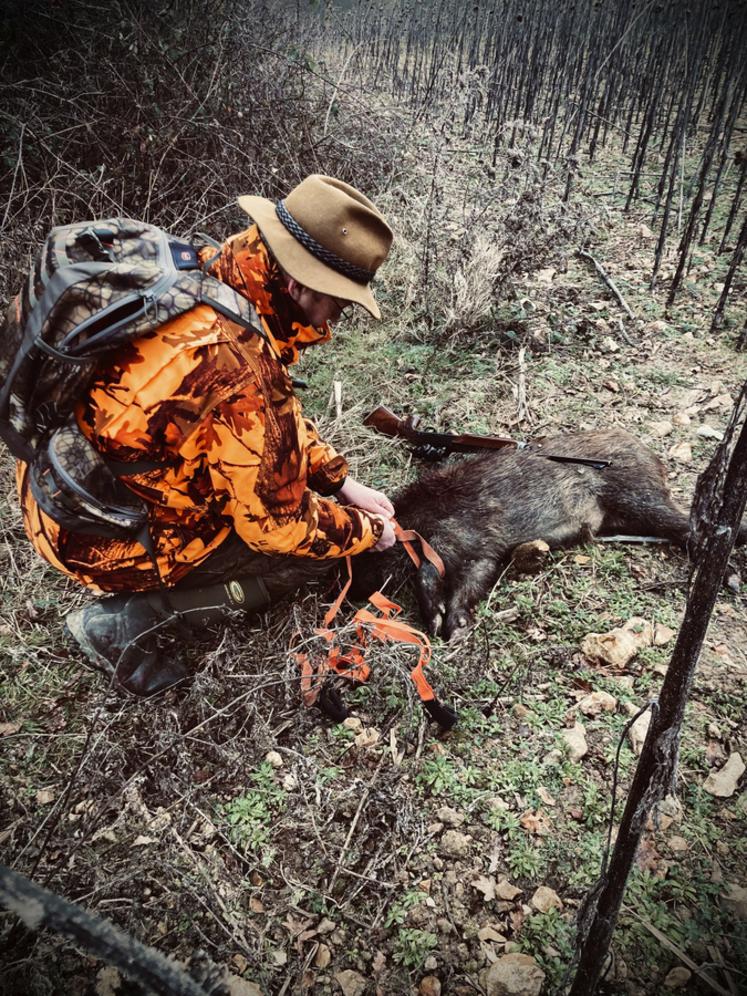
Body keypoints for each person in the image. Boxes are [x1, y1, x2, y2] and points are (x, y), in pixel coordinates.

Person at [17, 174, 397, 695]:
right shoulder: (237, 360)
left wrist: (338, 481)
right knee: (310, 556)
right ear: (300, 285)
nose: (340, 317)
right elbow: (276, 523)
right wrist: (366, 532)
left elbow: (256, 428)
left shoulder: (204, 272)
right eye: (339, 301)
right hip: (100, 538)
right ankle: (126, 622)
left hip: (57, 489)